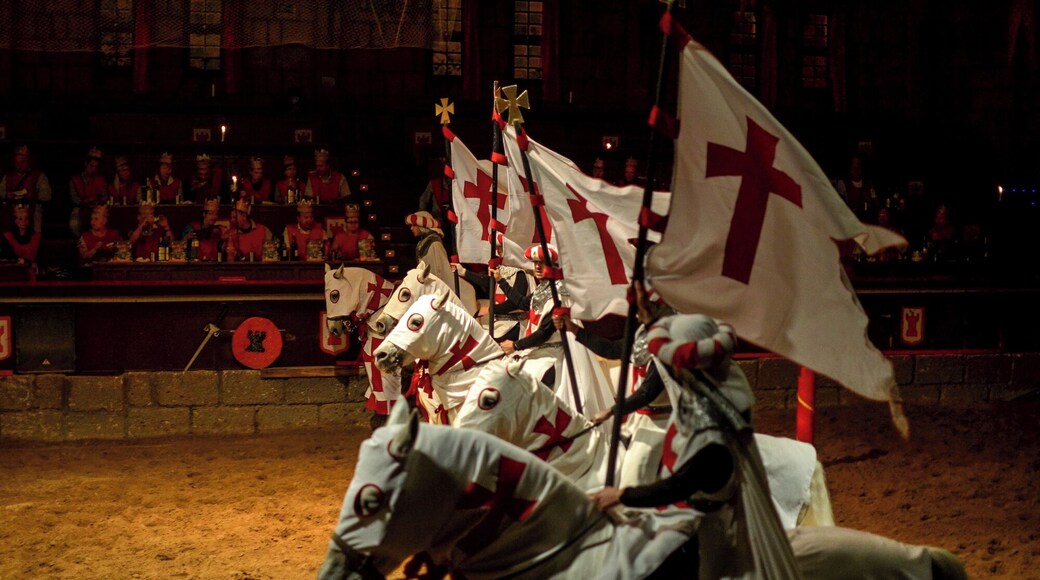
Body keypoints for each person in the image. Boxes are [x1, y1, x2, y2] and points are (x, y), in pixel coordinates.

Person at [590, 313, 798, 579]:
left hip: (702, 525)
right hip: (681, 513)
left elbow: (679, 485)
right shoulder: (695, 402)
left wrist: (622, 496)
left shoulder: (712, 429)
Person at [452, 233, 533, 342]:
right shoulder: (502, 269)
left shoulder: (521, 273)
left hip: (515, 324)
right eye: (497, 249)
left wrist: (491, 310)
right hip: (499, 323)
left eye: (501, 248)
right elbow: (489, 282)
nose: (499, 252)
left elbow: (514, 303)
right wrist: (464, 272)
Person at [405, 210, 478, 314]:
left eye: (413, 225)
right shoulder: (423, 243)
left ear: (421, 226)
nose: (411, 228)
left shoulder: (434, 243)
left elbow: (438, 268)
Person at [0, 144, 52, 233]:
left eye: (23, 162)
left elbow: (47, 196)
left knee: (36, 216)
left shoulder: (39, 176)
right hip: (12, 208)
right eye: (17, 163)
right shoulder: (8, 176)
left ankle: (34, 242)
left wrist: (33, 194)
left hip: (32, 207)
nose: (20, 165)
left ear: (28, 161)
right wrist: (6, 194)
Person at [68, 146, 108, 236]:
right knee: (74, 224)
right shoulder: (75, 179)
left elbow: (105, 197)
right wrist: (84, 202)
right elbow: (74, 199)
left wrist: (97, 202)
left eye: (95, 167)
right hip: (80, 208)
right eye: (91, 166)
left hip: (96, 207)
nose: (93, 169)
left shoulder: (101, 180)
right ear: (86, 164)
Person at [833, 154, 877, 220]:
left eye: (858, 164)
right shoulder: (843, 183)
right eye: (853, 165)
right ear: (850, 167)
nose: (856, 167)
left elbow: (876, 203)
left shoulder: (869, 184)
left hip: (867, 220)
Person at [1, 203, 42, 268]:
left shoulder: (35, 237)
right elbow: (7, 257)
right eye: (20, 219)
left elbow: (40, 259)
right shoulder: (8, 236)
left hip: (31, 271)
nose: (24, 222)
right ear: (15, 220)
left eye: (26, 218)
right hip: (14, 270)